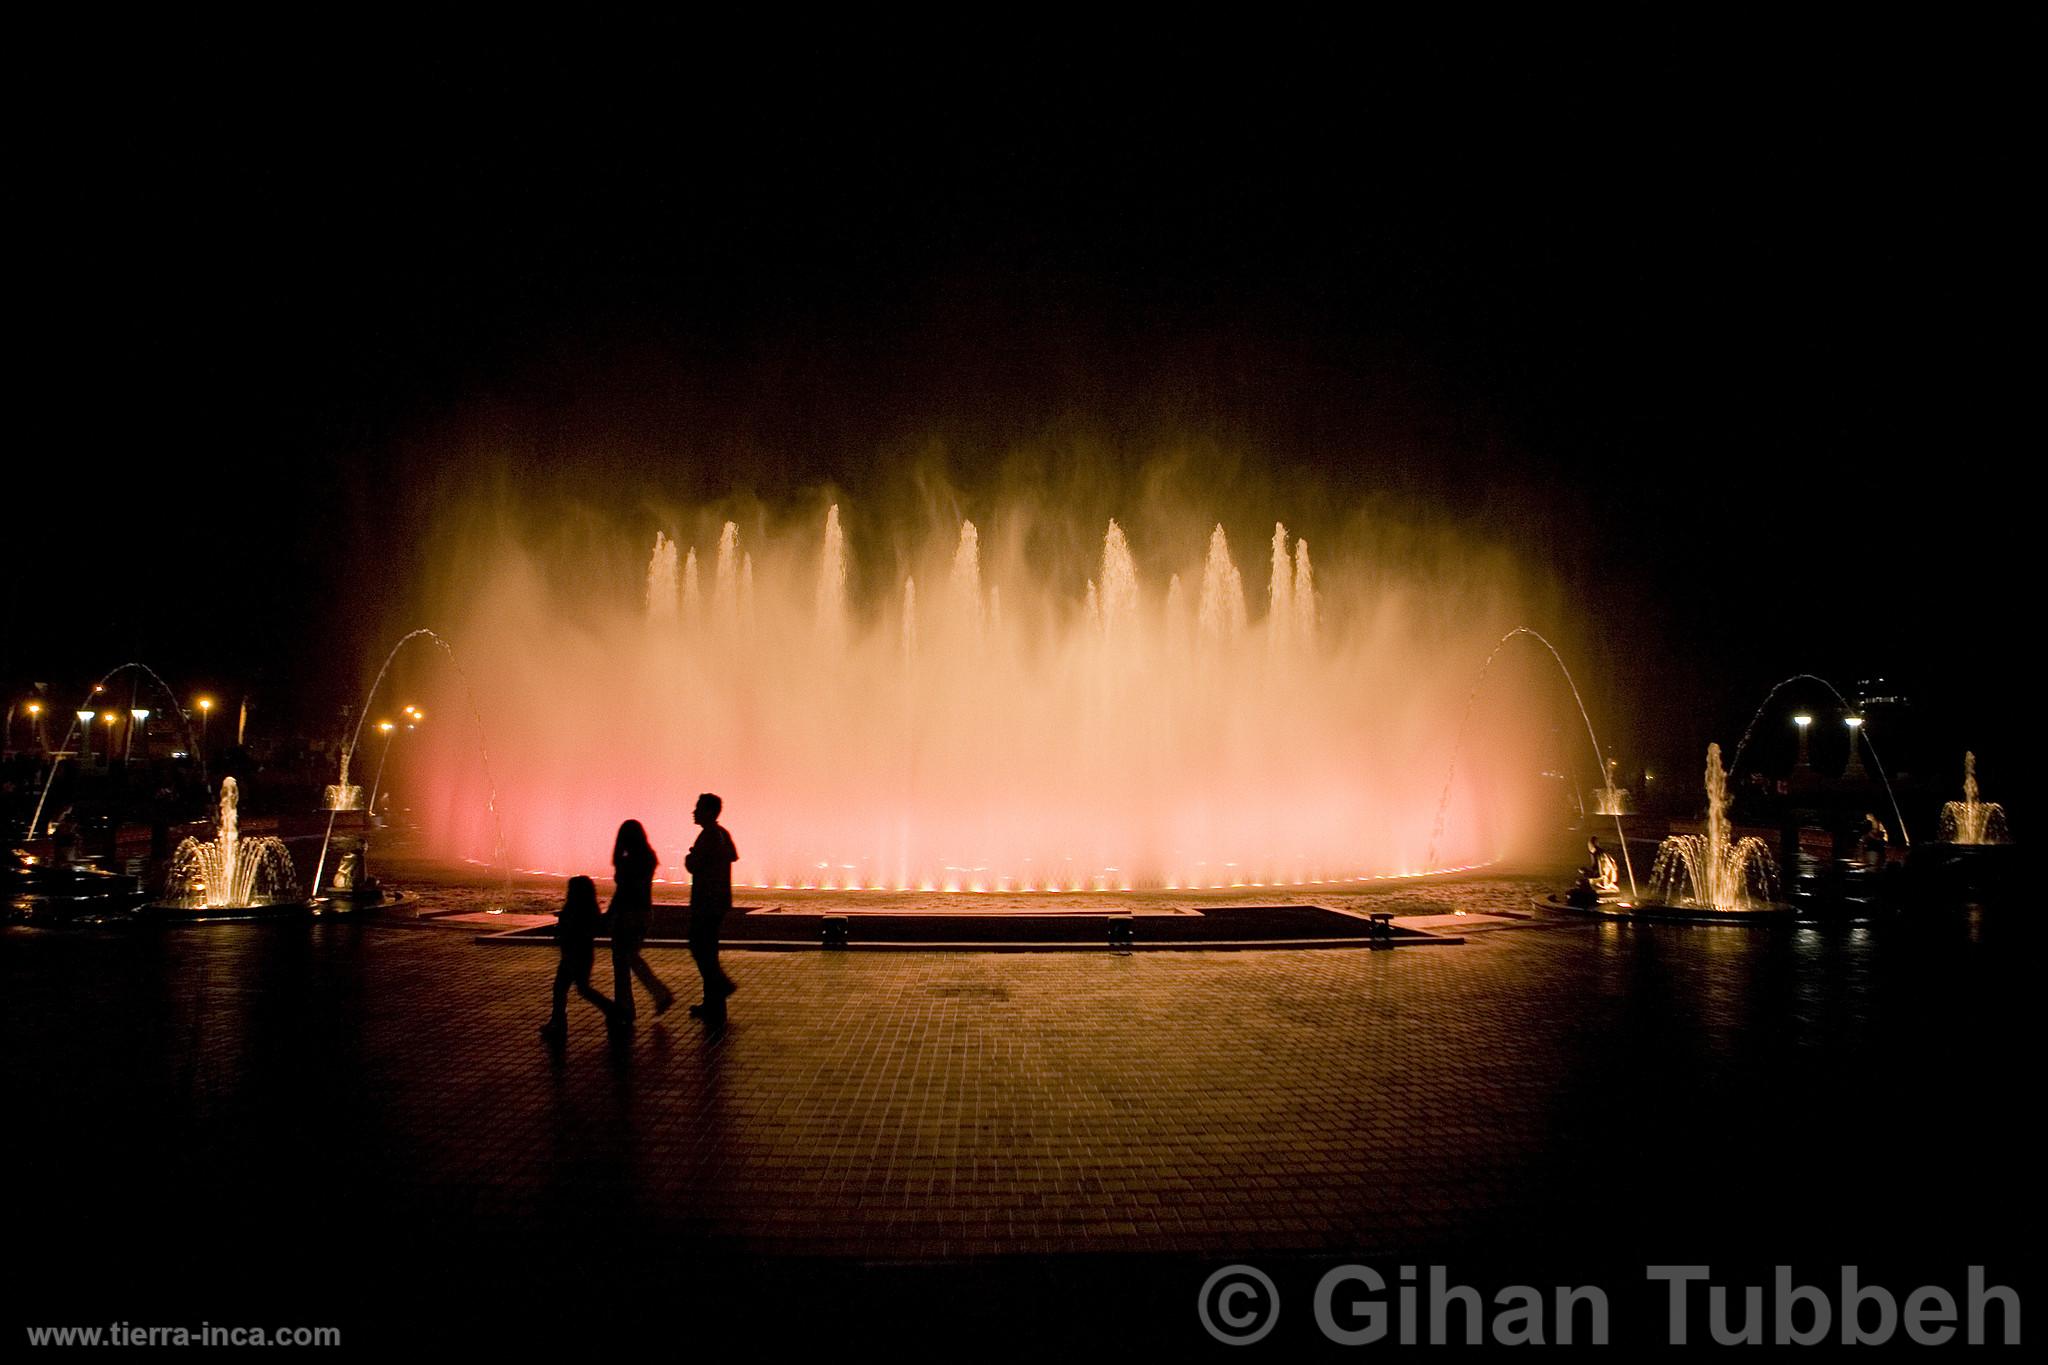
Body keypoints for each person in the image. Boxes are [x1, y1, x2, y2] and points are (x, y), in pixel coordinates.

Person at [609, 819, 676, 1023]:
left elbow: (623, 891)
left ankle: (631, 1005)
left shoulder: (628, 861)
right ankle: (652, 996)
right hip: (644, 912)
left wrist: (610, 914)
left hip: (627, 914)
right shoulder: (648, 858)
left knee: (623, 961)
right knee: (630, 957)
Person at [684, 793, 738, 1024]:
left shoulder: (709, 836)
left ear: (709, 811)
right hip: (718, 902)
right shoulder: (722, 834)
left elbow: (694, 865)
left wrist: (692, 856)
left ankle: (721, 987)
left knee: (700, 948)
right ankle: (714, 1004)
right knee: (708, 950)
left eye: (698, 808)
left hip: (706, 902)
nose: (694, 811)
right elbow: (732, 856)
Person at [540, 875, 614, 1043]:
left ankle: (559, 1022)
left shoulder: (574, 909)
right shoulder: (589, 908)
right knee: (577, 988)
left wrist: (562, 925)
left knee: (566, 988)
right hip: (583, 952)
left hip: (573, 954)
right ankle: (610, 1010)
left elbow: (571, 929)